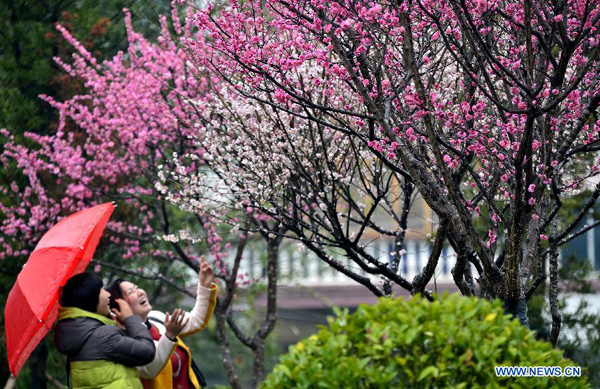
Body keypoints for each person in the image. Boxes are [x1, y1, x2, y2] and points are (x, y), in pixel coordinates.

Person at [108, 257, 217, 389]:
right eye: (131, 292)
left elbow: (196, 320)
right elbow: (150, 369)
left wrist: (204, 287)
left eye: (137, 288)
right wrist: (169, 336)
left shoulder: (156, 318)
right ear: (119, 305)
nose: (141, 292)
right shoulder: (124, 339)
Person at [54, 272, 156, 389]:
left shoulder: (77, 334)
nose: (108, 294)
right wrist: (130, 319)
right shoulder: (103, 336)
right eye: (101, 290)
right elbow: (147, 352)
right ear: (90, 297)